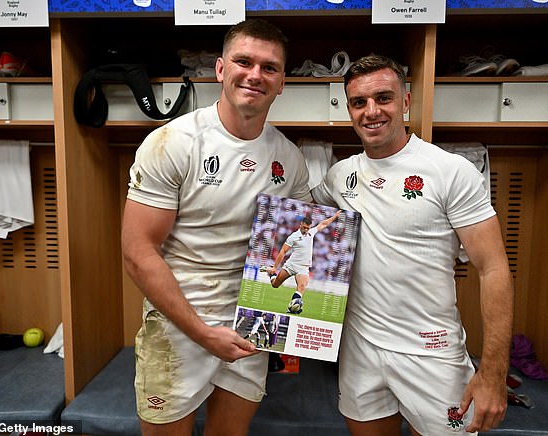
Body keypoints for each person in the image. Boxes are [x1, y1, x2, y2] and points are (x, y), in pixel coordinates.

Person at [121, 19, 311, 436]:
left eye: (270, 67)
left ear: (282, 82)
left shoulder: (290, 159)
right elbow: (138, 253)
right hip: (179, 323)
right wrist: (203, 332)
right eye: (244, 62)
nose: (255, 75)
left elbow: (298, 242)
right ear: (221, 69)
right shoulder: (174, 143)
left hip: (250, 323)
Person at [311, 54, 514, 435]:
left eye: (383, 98)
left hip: (432, 354)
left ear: (405, 102)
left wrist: (493, 373)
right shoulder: (340, 176)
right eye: (359, 102)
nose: (371, 111)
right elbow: (301, 222)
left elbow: (493, 269)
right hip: (360, 352)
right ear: (349, 109)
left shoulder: (450, 171)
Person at [263, 210, 341, 313]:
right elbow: (283, 251)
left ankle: (291, 309)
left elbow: (323, 224)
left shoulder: (311, 232)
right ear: (301, 225)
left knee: (302, 287)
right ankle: (272, 274)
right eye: (304, 227)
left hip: (303, 267)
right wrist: (275, 267)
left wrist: (335, 216)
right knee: (275, 284)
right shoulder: (293, 237)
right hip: (291, 265)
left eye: (308, 228)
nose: (306, 230)